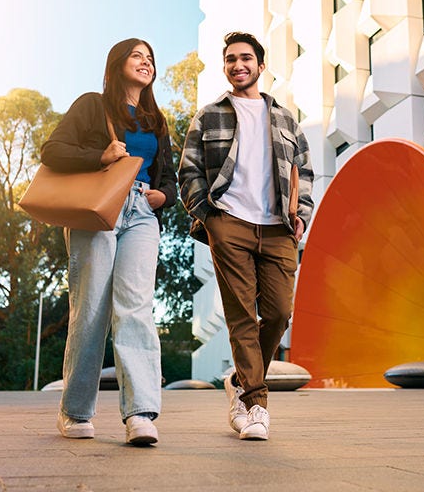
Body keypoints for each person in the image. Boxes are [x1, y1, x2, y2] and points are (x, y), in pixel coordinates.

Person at [41, 38, 177, 446]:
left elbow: (167, 175)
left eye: (151, 58)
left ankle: (140, 414)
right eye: (137, 55)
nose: (146, 62)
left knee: (135, 308)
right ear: (118, 63)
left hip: (141, 212)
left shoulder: (157, 119)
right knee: (91, 310)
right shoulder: (91, 105)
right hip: (98, 210)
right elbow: (52, 151)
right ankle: (75, 412)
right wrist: (100, 156)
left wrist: (163, 197)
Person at [179, 31, 313, 441]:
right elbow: (188, 169)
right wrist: (209, 217)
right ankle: (255, 405)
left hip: (278, 229)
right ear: (226, 67)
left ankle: (239, 380)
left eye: (245, 58)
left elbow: (303, 171)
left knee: (278, 313)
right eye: (231, 59)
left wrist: (302, 215)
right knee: (240, 317)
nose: (238, 65)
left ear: (260, 65)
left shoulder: (286, 119)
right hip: (230, 223)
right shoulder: (209, 114)